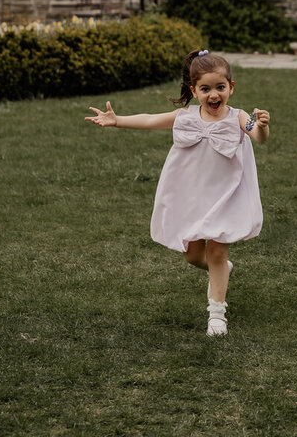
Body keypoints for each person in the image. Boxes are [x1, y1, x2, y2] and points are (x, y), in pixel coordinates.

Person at [85, 49, 270, 336]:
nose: (213, 95)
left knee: (217, 252)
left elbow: (257, 135)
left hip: (226, 194)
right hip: (193, 195)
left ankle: (217, 315)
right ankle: (221, 270)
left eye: (220, 88)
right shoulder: (185, 117)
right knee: (194, 256)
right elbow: (149, 120)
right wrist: (117, 120)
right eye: (205, 88)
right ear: (194, 90)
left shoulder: (239, 117)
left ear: (230, 88)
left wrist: (261, 126)